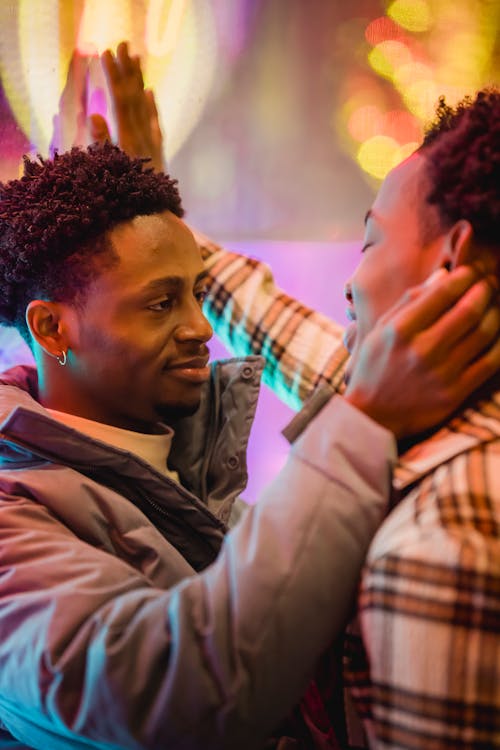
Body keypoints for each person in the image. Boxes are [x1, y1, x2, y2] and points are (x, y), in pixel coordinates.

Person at [76, 46, 500, 748]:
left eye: (369, 243)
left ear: (447, 264)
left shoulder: (448, 531)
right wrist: (156, 213)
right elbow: (283, 333)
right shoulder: (445, 418)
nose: (349, 284)